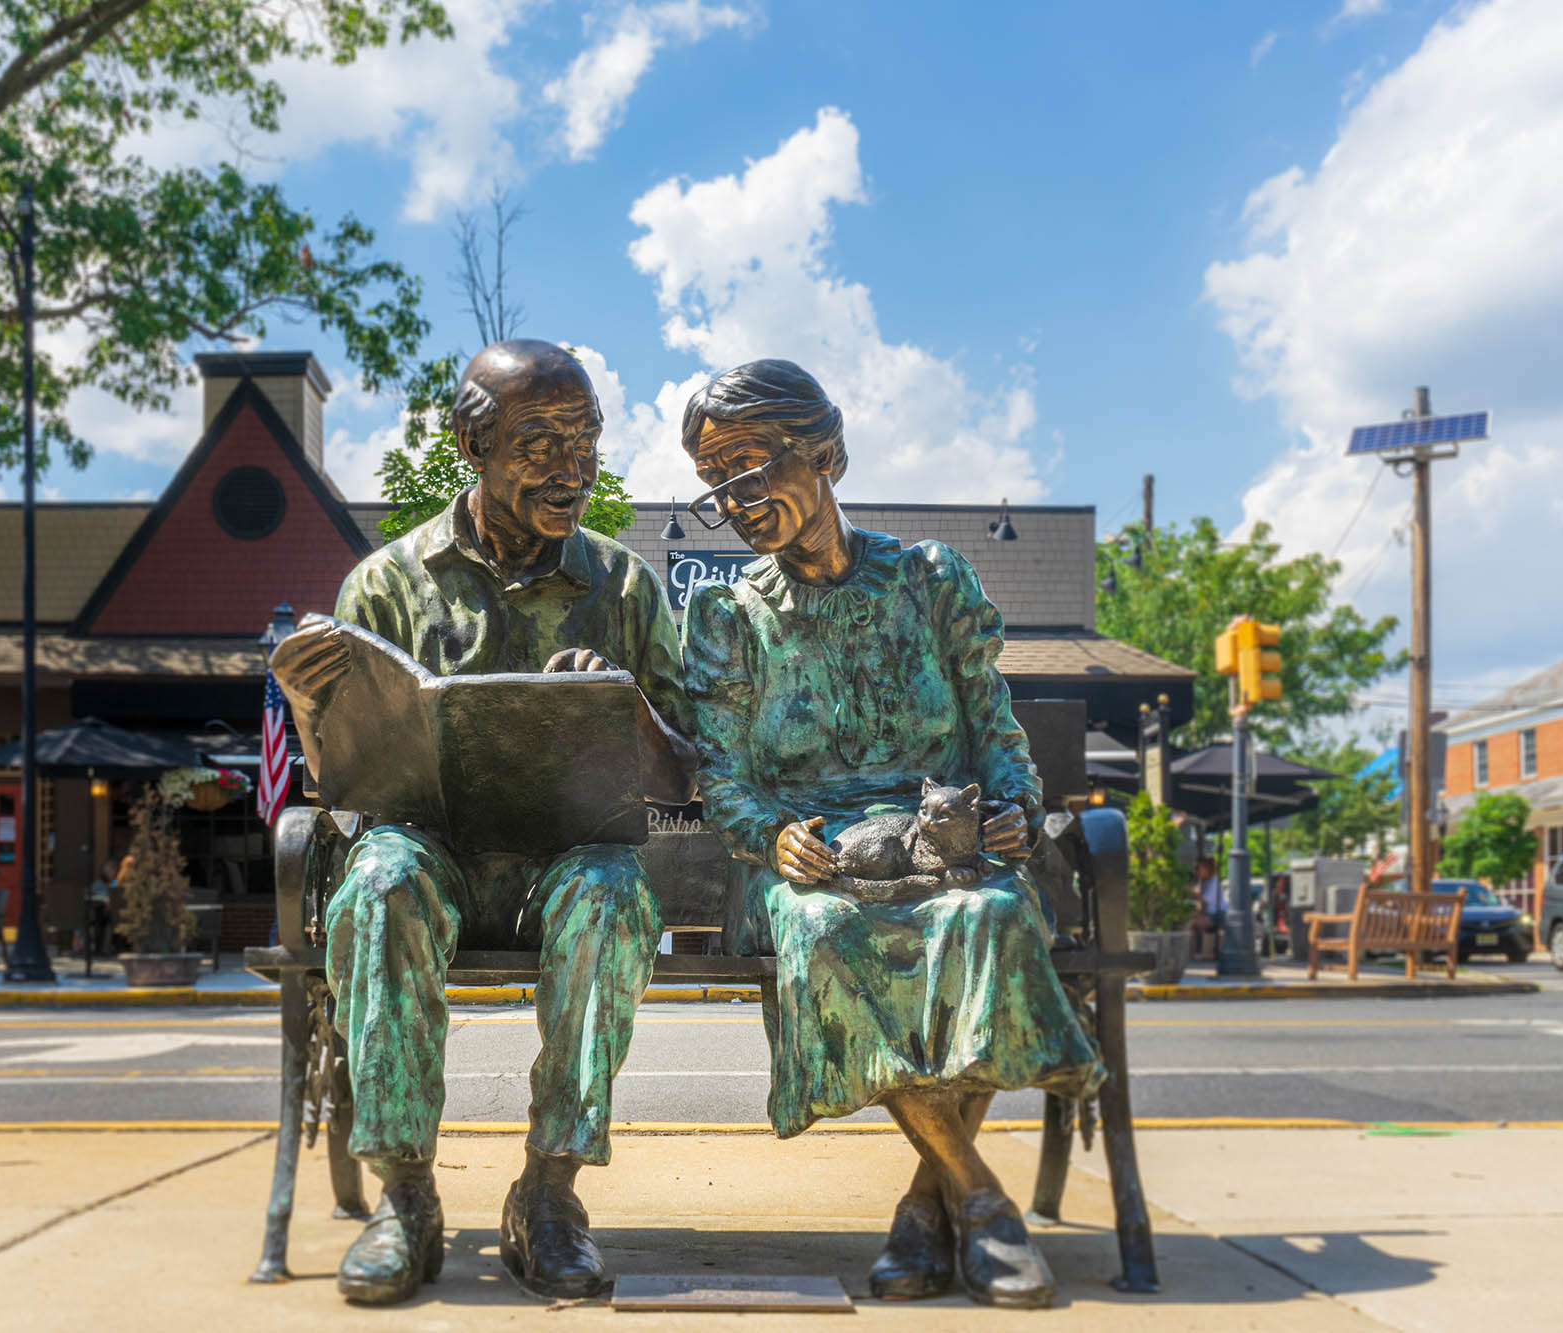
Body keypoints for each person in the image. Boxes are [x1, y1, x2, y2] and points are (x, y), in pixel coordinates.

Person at [678, 360, 1105, 1308]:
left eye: (750, 469)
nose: (737, 501)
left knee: (992, 915)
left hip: (939, 842)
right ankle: (985, 1205)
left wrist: (1016, 810)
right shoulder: (727, 614)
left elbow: (999, 739)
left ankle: (925, 1203)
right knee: (828, 933)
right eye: (718, 487)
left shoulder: (929, 579)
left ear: (825, 452)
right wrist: (774, 833)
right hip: (809, 861)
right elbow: (724, 778)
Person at [321, 340, 696, 1305]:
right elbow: (348, 789)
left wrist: (628, 707)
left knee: (615, 893)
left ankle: (550, 1191)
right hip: (433, 857)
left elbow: (694, 775)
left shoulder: (624, 589)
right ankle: (406, 1197)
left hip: (564, 870)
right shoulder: (384, 587)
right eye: (539, 443)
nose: (572, 468)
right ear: (471, 446)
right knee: (379, 880)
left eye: (587, 440)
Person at [1189, 855, 1224, 960]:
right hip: (1208, 914)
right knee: (1188, 921)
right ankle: (1191, 954)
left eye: (1199, 868)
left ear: (1207, 868)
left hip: (1217, 915)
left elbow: (1205, 900)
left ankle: (1189, 955)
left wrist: (1189, 892)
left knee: (1191, 923)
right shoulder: (1203, 882)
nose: (1197, 871)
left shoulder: (1214, 882)